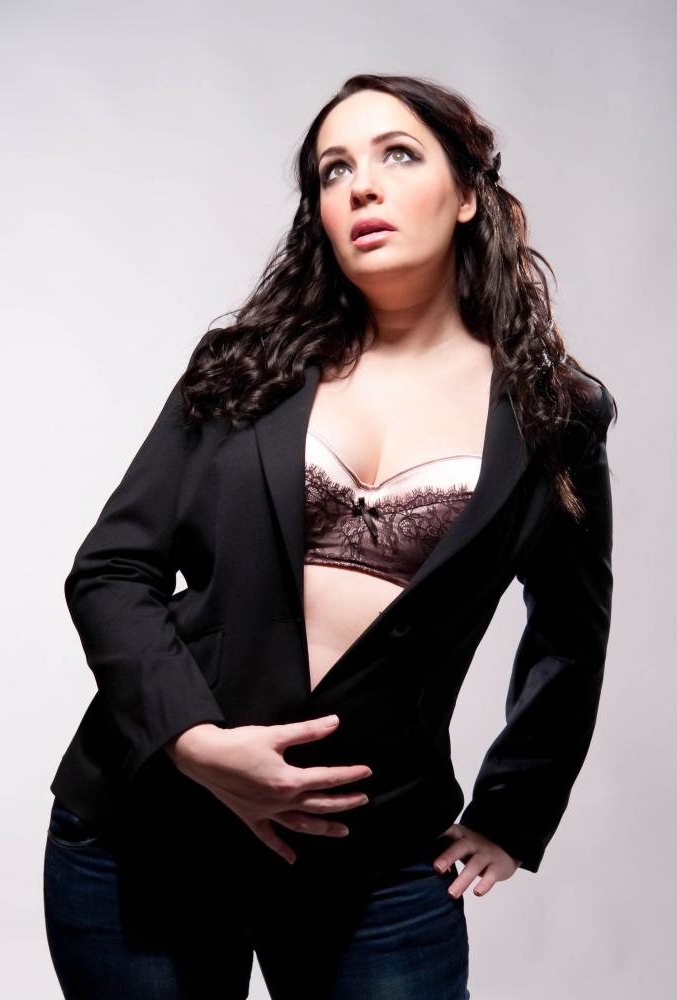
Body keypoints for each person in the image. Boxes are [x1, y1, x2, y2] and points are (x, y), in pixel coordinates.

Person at [43, 73, 616, 999]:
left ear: (467, 194)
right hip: (145, 833)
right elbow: (111, 569)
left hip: (374, 861)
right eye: (333, 170)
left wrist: (514, 810)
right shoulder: (243, 368)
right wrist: (192, 741)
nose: (361, 186)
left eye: (398, 155)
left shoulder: (553, 417)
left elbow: (570, 632)